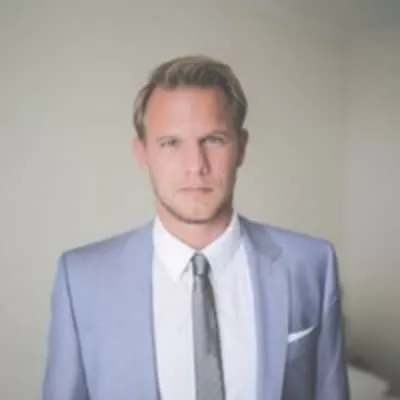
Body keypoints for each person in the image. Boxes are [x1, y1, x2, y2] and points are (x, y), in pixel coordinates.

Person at [43, 55, 349, 400]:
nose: (196, 165)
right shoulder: (81, 281)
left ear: (242, 148)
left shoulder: (311, 264)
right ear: (142, 154)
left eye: (213, 140)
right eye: (171, 143)